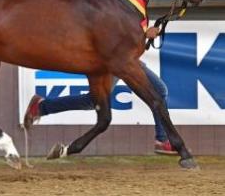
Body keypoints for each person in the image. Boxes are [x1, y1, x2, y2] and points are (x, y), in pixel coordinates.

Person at [23, 27, 177, 155]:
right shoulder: (125, 2)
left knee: (159, 91)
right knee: (94, 101)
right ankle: (162, 140)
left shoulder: (135, 5)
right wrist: (144, 34)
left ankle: (162, 140)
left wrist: (144, 35)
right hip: (116, 61)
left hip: (127, 60)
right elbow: (117, 33)